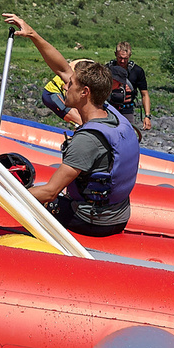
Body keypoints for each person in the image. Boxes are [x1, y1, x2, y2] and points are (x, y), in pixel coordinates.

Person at [18, 57, 139, 239]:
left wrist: (0, 196)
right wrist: (32, 34)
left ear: (85, 92)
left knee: (32, 201)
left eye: (71, 84)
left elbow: (50, 192)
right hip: (119, 216)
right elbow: (63, 70)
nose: (65, 87)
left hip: (92, 221)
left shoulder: (87, 139)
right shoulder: (111, 113)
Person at [107, 42, 153, 139]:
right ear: (115, 54)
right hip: (109, 109)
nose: (122, 61)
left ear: (130, 56)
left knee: (127, 138)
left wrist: (147, 116)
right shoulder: (107, 69)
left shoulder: (137, 71)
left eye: (125, 58)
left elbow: (144, 94)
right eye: (120, 58)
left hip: (127, 109)